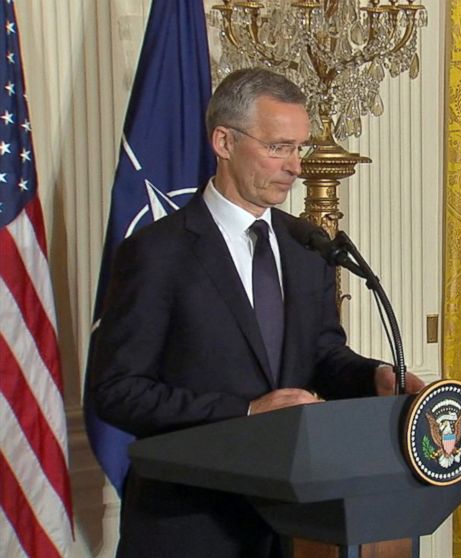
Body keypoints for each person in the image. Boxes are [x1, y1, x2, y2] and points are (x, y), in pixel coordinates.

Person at [87, 68, 424, 558]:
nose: (295, 166)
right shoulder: (157, 253)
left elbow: (323, 355)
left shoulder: (305, 245)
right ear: (224, 141)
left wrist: (375, 377)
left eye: (299, 148)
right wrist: (246, 413)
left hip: (293, 521)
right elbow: (116, 392)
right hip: (188, 524)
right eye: (278, 147)